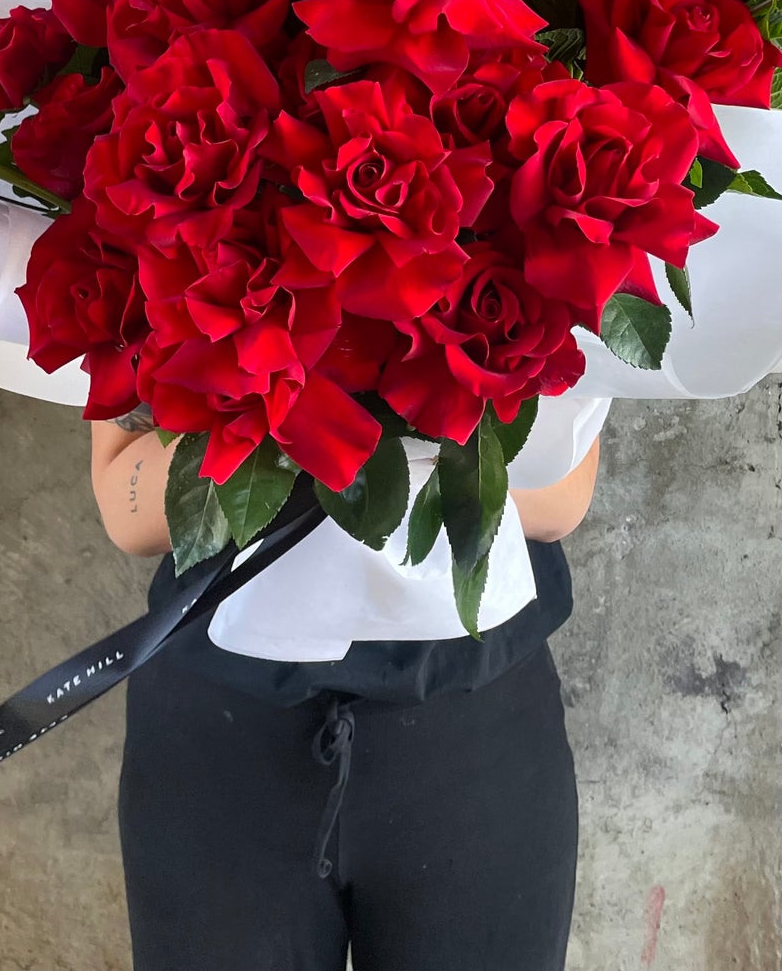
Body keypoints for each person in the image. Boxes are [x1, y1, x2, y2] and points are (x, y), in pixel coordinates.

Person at [91, 412, 602, 971]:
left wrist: (340, 433)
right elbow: (127, 509)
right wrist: (291, 408)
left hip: (474, 740)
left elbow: (560, 498)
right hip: (221, 742)